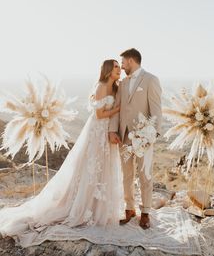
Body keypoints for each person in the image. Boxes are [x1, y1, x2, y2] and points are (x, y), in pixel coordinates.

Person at [0, 59, 123, 246]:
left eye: (119, 67)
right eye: (116, 67)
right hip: (97, 131)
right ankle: (82, 207)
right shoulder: (100, 87)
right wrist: (118, 109)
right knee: (91, 168)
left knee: (103, 168)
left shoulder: (115, 87)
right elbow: (98, 115)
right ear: (108, 70)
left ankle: (99, 207)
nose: (119, 69)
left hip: (106, 131)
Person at [109, 48, 162, 229]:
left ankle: (145, 212)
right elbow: (117, 108)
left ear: (131, 61)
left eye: (123, 63)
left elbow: (156, 110)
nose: (122, 66)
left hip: (144, 137)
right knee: (127, 175)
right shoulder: (123, 84)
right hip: (124, 136)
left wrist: (151, 135)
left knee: (145, 175)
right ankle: (129, 209)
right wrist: (112, 130)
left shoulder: (151, 80)